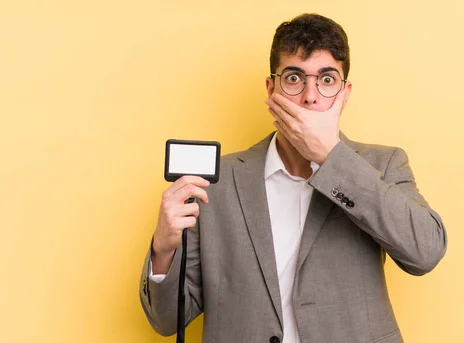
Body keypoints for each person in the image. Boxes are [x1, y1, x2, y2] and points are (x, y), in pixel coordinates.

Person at [140, 13, 447, 343]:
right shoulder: (217, 182)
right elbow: (167, 320)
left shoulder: (383, 165)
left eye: (327, 80)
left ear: (345, 93)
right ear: (271, 88)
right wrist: (164, 248)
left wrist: (331, 157)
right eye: (294, 78)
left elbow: (425, 252)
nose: (310, 97)